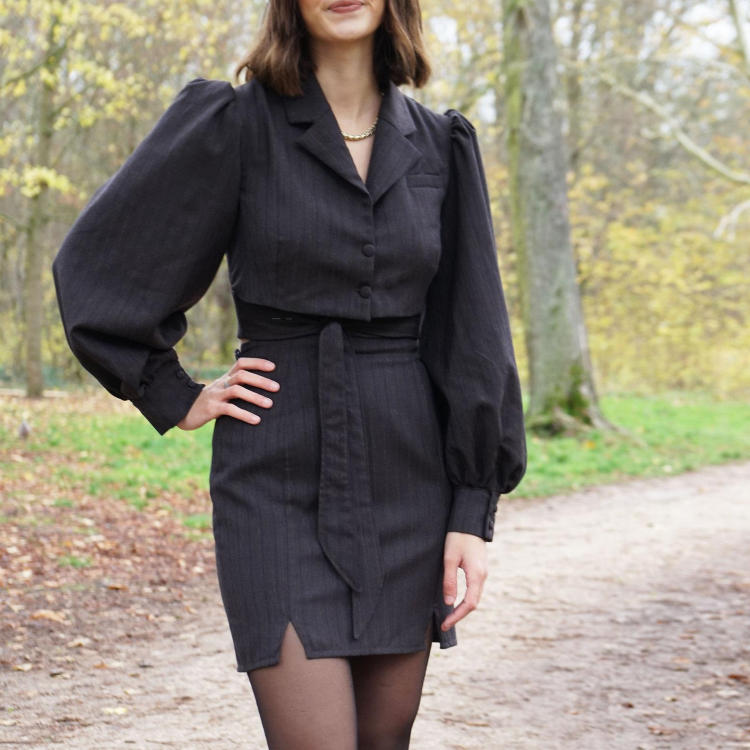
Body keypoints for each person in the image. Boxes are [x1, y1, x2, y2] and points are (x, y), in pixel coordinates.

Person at [52, 0, 527, 747]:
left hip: (408, 472)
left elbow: (473, 334)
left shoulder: (442, 145)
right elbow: (98, 265)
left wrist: (472, 511)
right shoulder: (233, 124)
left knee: (384, 739)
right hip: (273, 470)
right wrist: (172, 392)